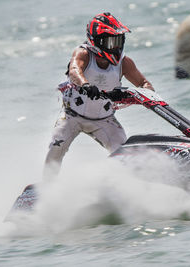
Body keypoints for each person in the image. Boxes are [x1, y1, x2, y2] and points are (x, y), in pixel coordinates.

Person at [44, 12, 154, 178]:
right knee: (55, 148)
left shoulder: (125, 63)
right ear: (97, 41)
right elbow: (75, 70)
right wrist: (86, 85)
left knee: (125, 155)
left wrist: (135, 95)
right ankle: (45, 189)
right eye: (110, 41)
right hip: (71, 117)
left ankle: (132, 188)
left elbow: (145, 85)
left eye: (118, 41)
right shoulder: (83, 54)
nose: (115, 47)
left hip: (104, 120)